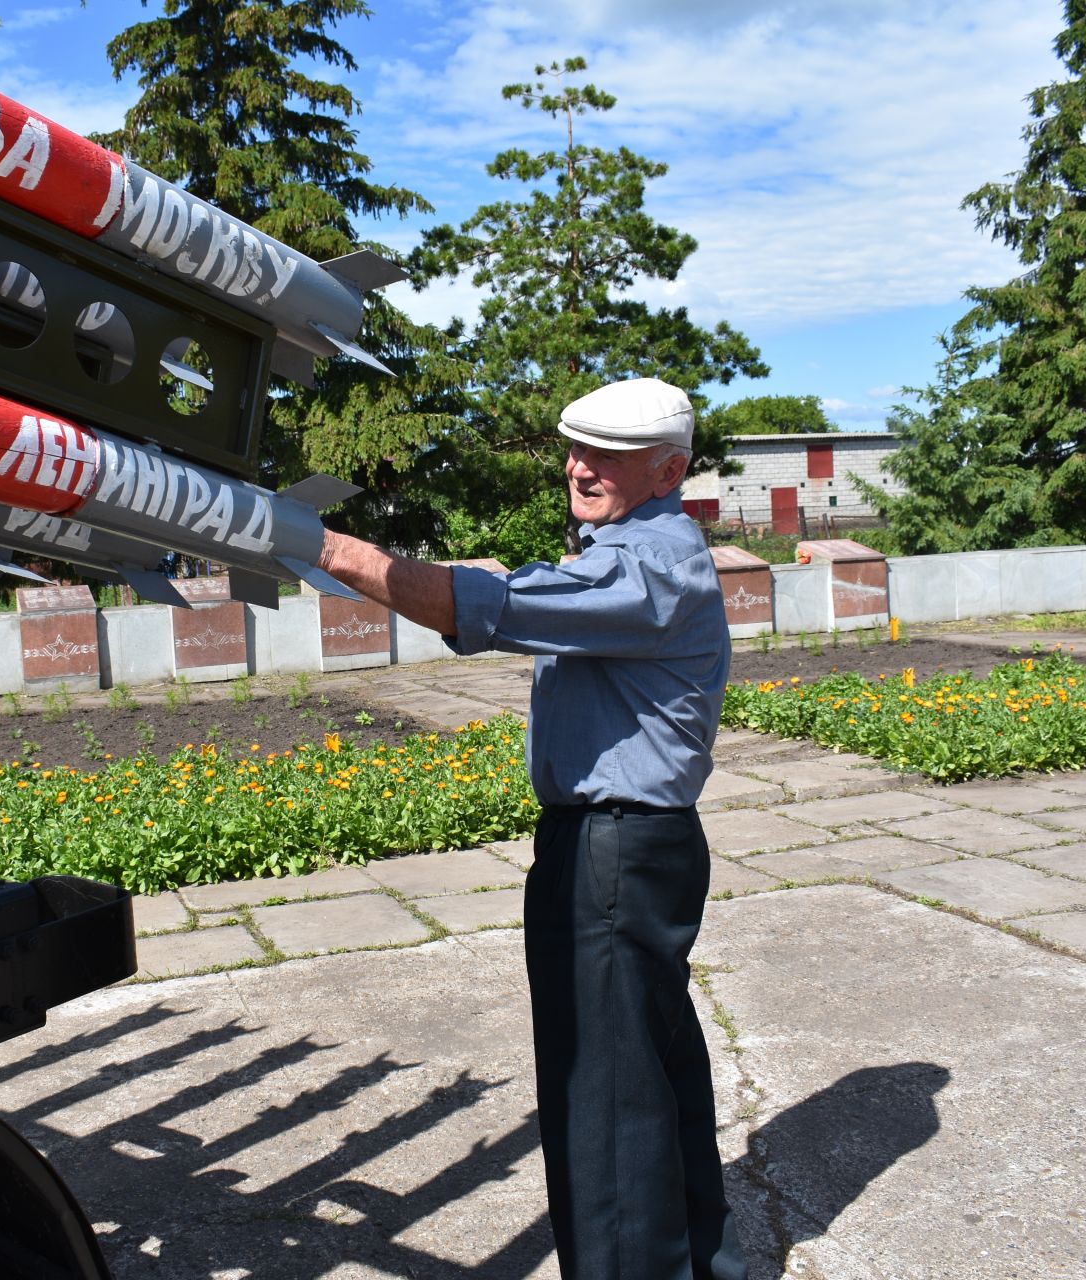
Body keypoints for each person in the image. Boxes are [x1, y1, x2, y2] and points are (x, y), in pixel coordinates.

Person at [315, 377, 743, 1279]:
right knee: (656, 1076)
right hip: (628, 848)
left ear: (669, 470)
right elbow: (511, 591)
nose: (580, 467)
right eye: (576, 447)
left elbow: (487, 607)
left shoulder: (646, 564)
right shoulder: (627, 551)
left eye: (609, 456)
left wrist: (328, 548)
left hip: (613, 852)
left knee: (608, 1101)